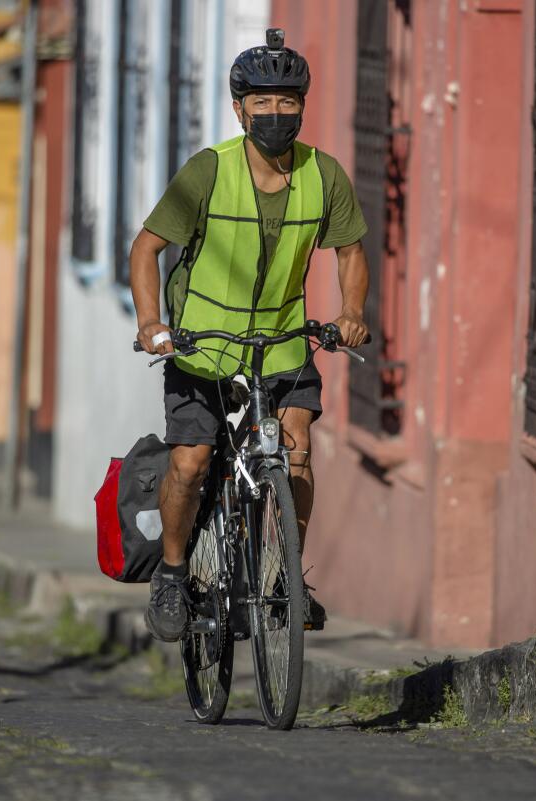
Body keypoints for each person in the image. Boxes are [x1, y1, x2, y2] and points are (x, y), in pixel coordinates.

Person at [129, 29, 369, 643]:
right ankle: (175, 575)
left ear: (302, 107)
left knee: (297, 452)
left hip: (283, 340)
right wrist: (152, 325)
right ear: (239, 108)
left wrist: (352, 311)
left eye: (288, 102)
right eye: (261, 102)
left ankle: (284, 573)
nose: (275, 113)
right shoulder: (208, 172)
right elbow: (147, 248)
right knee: (192, 460)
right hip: (203, 345)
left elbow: (350, 253)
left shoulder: (325, 175)